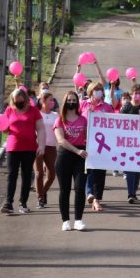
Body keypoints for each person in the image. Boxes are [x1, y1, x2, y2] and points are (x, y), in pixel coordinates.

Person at [1, 88, 45, 214]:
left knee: (26, 175)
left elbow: (40, 129)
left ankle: (23, 203)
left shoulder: (33, 110)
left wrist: (41, 146)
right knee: (12, 174)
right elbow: (5, 128)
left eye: (21, 101)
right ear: (13, 100)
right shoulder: (9, 110)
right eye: (16, 101)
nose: (18, 103)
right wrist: (4, 128)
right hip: (13, 147)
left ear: (25, 99)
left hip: (29, 148)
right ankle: (8, 203)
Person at [53, 91, 88, 231]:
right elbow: (61, 140)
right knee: (65, 189)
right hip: (65, 156)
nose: (71, 102)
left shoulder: (83, 119)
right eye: (69, 100)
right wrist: (76, 150)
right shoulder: (60, 120)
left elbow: (90, 135)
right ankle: (65, 220)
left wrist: (94, 118)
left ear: (77, 102)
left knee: (80, 188)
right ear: (65, 102)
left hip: (81, 157)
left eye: (74, 100)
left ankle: (78, 220)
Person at [81, 81, 115, 211]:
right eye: (96, 89)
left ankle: (97, 198)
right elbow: (76, 120)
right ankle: (90, 193)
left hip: (102, 145)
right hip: (85, 142)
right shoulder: (83, 104)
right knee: (89, 169)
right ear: (90, 91)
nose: (98, 92)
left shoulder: (107, 107)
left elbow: (114, 123)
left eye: (100, 89)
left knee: (100, 171)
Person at [120, 84, 140, 203]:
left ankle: (134, 189)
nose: (137, 95)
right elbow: (119, 122)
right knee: (130, 168)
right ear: (131, 94)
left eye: (139, 93)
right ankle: (131, 193)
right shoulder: (126, 107)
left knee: (138, 168)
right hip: (128, 143)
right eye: (135, 93)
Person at [35, 92, 58, 208]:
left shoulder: (56, 115)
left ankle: (42, 192)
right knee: (39, 173)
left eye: (53, 100)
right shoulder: (37, 114)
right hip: (38, 146)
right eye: (50, 100)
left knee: (51, 174)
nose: (52, 102)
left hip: (51, 146)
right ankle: (40, 198)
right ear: (43, 101)